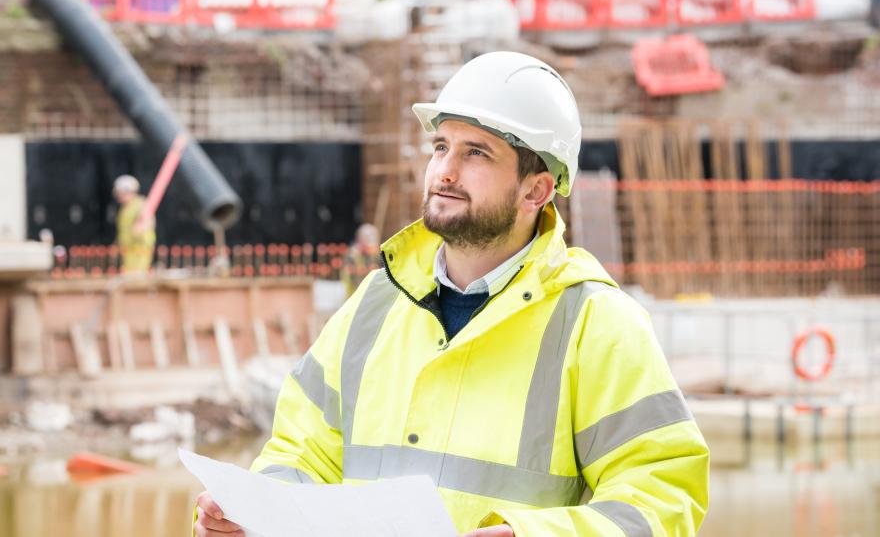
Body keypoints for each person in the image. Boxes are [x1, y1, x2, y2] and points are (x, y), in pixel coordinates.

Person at [194, 52, 709, 536]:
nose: (444, 170)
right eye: (440, 146)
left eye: (476, 153)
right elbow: (302, 455)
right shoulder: (375, 304)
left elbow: (660, 496)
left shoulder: (595, 322)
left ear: (536, 190)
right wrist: (255, 514)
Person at [113, 174, 156, 273]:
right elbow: (123, 229)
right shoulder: (125, 208)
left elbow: (148, 221)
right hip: (128, 249)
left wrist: (141, 227)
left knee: (137, 276)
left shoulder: (140, 204)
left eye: (119, 193)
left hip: (139, 248)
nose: (118, 196)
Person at [340, 223, 381, 296]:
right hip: (355, 295)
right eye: (367, 238)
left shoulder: (377, 256)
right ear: (359, 239)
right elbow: (348, 278)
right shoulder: (352, 256)